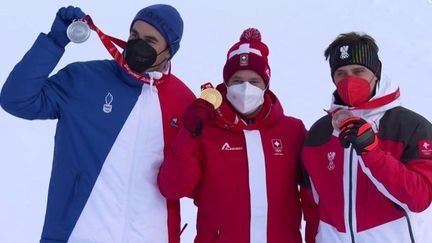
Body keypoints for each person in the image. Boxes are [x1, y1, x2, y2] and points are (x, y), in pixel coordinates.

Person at [0, 4, 195, 243]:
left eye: (150, 40)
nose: (137, 44)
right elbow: (16, 100)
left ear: (169, 52)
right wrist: (54, 41)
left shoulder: (184, 102)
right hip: (76, 235)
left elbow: (193, 180)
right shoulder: (85, 79)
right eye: (134, 35)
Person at [158, 28, 314, 243]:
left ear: (266, 85)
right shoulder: (205, 130)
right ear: (226, 84)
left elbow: (317, 192)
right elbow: (173, 188)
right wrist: (188, 132)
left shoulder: (292, 131)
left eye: (254, 81)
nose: (245, 88)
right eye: (237, 80)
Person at [301, 32, 432, 243]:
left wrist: (372, 152)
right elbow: (312, 209)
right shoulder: (318, 134)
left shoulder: (411, 127)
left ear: (376, 73)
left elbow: (419, 198)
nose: (349, 79)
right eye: (341, 73)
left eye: (358, 71)